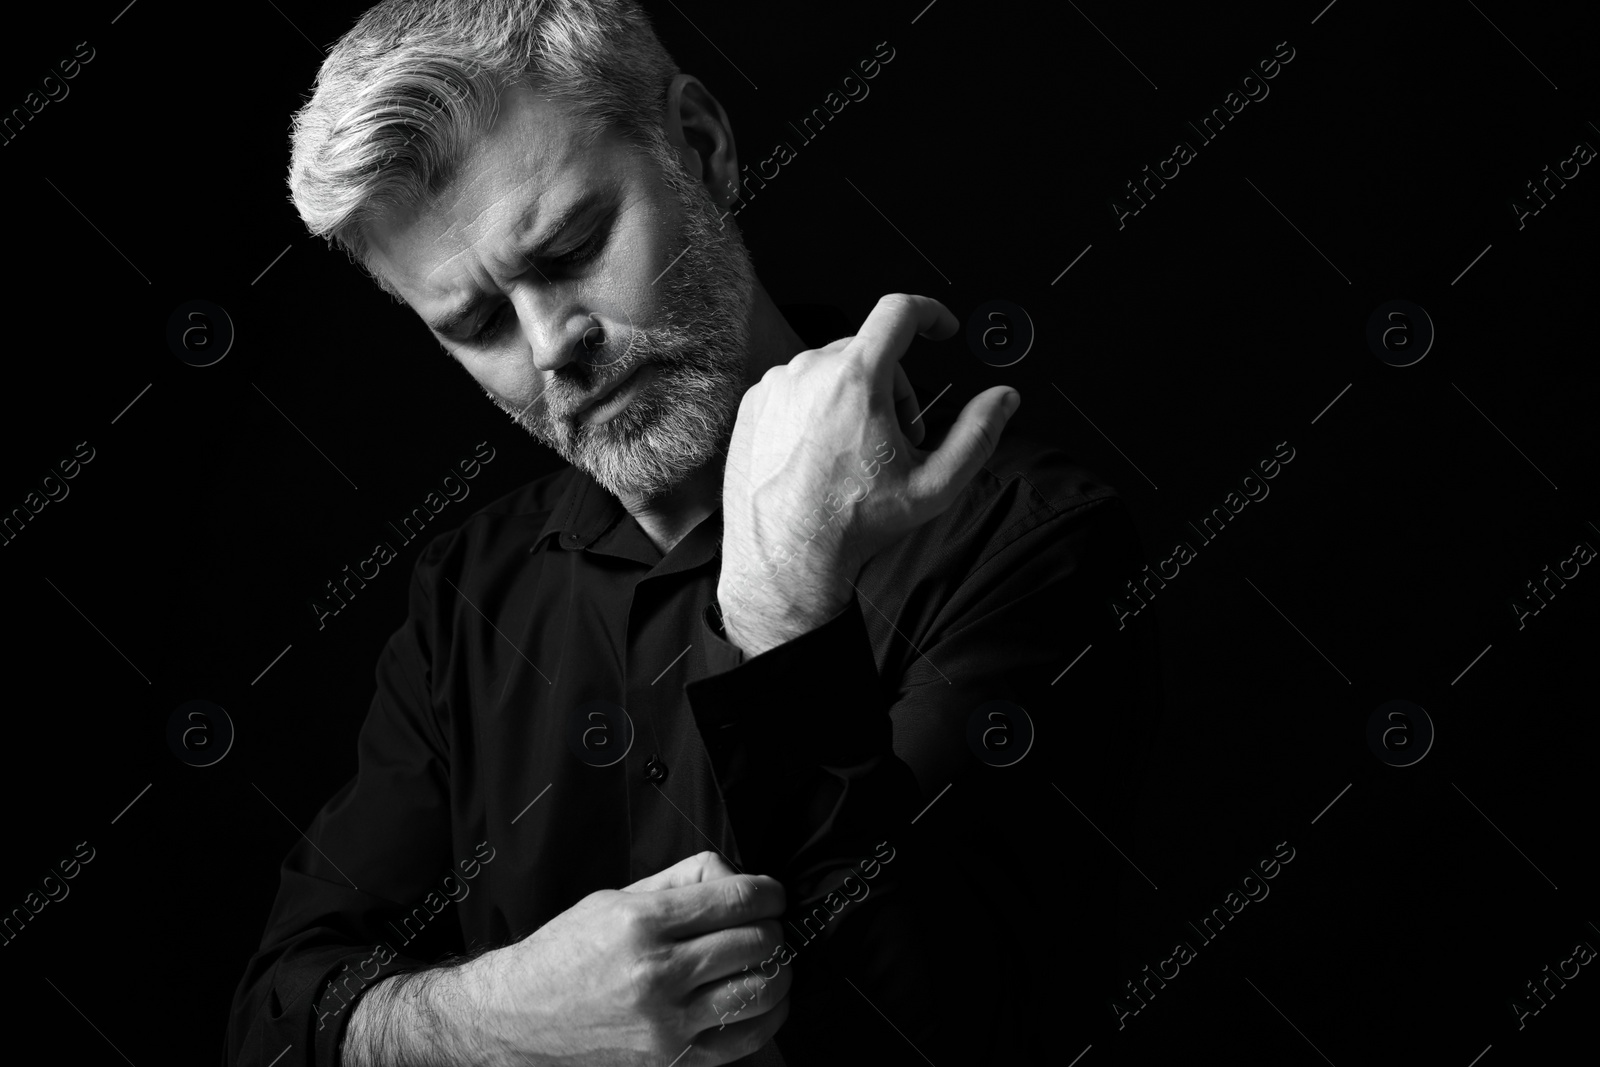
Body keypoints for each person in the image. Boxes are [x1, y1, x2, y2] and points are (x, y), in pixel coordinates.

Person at [227, 1, 1160, 1063]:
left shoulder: (1023, 539)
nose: (552, 349)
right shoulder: (467, 592)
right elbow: (275, 1019)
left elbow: (948, 1031)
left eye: (575, 247)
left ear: (701, 148)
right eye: (478, 325)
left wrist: (785, 622)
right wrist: (496, 1020)